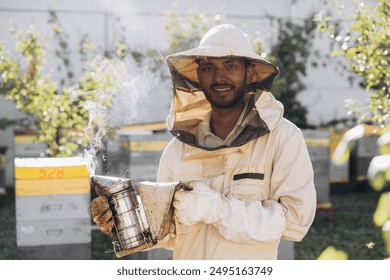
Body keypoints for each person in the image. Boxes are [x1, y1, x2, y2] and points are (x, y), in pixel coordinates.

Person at [90, 23, 316, 260]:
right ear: (198, 75)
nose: (219, 77)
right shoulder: (177, 150)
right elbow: (170, 232)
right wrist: (124, 221)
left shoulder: (283, 138)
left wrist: (217, 210)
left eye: (230, 66)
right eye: (208, 67)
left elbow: (295, 222)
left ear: (249, 73)